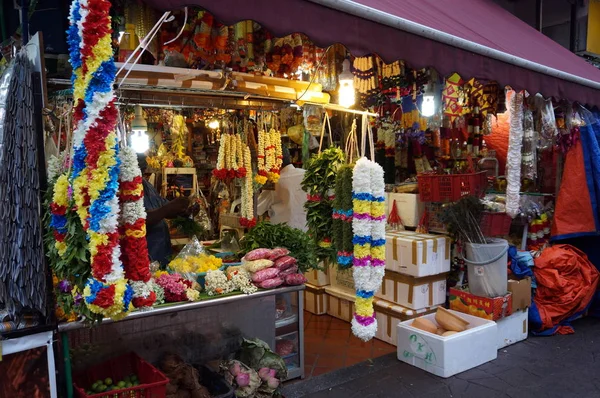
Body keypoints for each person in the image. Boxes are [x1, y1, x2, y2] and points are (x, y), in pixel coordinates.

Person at [138, 154, 190, 267]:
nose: (142, 173)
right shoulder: (126, 191)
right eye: (139, 169)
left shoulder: (146, 184)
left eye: (143, 170)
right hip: (146, 252)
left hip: (162, 249)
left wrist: (183, 211)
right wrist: (168, 208)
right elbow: (139, 220)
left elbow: (163, 205)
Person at [257, 146, 308, 231]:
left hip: (282, 235)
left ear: (273, 163)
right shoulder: (306, 175)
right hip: (306, 232)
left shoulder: (274, 183)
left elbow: (258, 209)